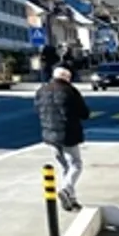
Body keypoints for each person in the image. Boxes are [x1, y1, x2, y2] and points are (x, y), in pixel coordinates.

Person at [34, 66, 91, 211]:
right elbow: (84, 112)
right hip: (68, 133)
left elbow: (37, 109)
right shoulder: (69, 91)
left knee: (66, 166)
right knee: (76, 164)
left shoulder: (42, 90)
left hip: (50, 134)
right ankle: (66, 190)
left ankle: (71, 200)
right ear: (67, 78)